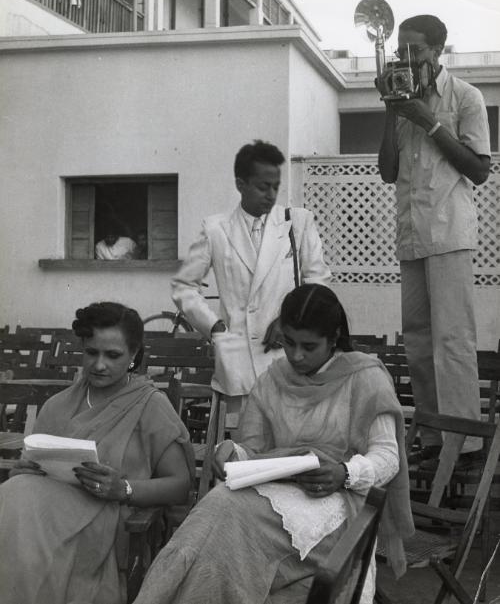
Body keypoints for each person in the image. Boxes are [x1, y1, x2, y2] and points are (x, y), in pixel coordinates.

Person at [133, 285, 414, 604]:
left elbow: (389, 457)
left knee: (227, 513)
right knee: (217, 509)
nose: (296, 356)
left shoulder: (364, 377)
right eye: (289, 343)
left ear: (334, 338)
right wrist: (228, 454)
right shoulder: (273, 379)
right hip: (271, 497)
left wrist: (344, 472)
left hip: (337, 505)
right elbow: (250, 450)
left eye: (309, 346)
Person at [0, 302, 194, 604]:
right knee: (16, 491)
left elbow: (180, 486)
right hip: (47, 519)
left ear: (133, 355)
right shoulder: (58, 406)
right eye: (91, 352)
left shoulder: (150, 406)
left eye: (113, 355)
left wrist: (124, 489)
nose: (99, 365)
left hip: (111, 525)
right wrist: (25, 471)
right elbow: (35, 469)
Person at [377, 15, 491, 468]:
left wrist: (429, 122)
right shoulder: (402, 101)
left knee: (453, 340)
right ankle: (430, 434)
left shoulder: (465, 96)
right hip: (411, 235)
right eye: (401, 51)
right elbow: (388, 171)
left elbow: (479, 170)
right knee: (419, 342)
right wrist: (391, 110)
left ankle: (466, 445)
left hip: (449, 234)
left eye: (416, 50)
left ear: (438, 51)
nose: (406, 58)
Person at [171, 140, 331, 413]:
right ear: (240, 184)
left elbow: (319, 283)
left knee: (290, 444)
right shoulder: (216, 230)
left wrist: (291, 320)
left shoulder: (299, 223)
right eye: (262, 186)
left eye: (275, 187)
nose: (271, 194)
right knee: (244, 444)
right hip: (238, 359)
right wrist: (215, 328)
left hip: (288, 355)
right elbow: (184, 286)